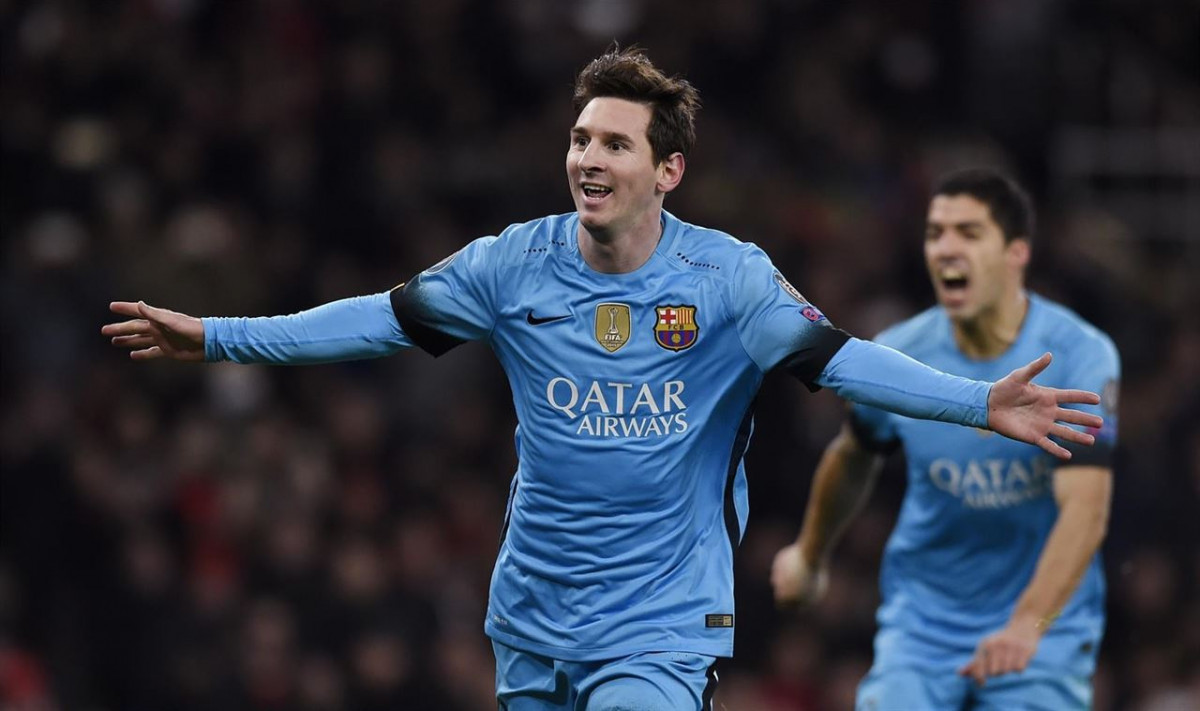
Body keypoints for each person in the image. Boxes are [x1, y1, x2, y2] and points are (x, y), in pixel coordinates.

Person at [104, 50, 1102, 711]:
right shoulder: (512, 265)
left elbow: (841, 359)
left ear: (667, 172)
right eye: (581, 138)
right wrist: (219, 338)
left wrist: (979, 402)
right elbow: (377, 320)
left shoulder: (728, 281)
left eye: (615, 142)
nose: (588, 156)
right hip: (532, 613)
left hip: (660, 622)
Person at [771, 168, 1119, 710]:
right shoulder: (899, 352)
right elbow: (855, 454)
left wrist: (1027, 624)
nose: (946, 249)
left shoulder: (1081, 354)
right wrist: (810, 556)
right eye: (936, 233)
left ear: (1016, 253)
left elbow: (1086, 512)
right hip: (922, 633)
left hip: (1043, 630)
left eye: (969, 233)